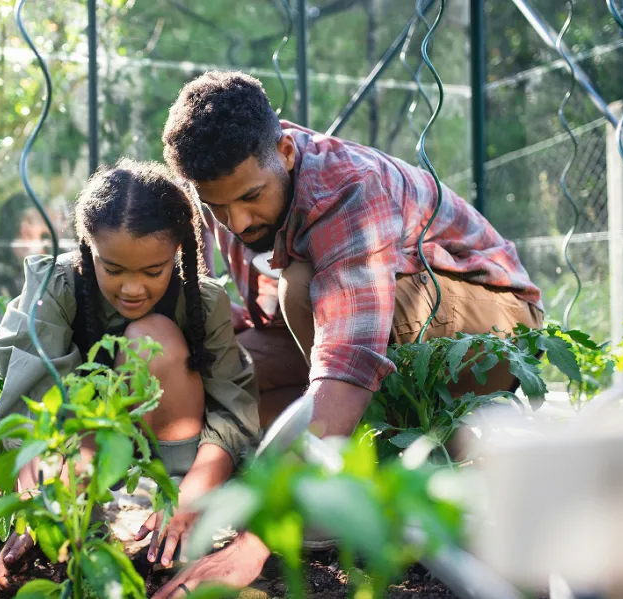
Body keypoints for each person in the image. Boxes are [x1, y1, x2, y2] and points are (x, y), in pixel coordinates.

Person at [152, 70, 544, 597]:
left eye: (250, 197)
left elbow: (345, 363)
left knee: (303, 287)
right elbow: (260, 331)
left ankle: (382, 469)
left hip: (492, 325)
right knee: (228, 368)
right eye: (217, 206)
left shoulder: (344, 188)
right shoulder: (233, 194)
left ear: (286, 152)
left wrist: (256, 536)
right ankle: (335, 469)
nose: (238, 221)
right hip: (392, 326)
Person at [0, 159, 260, 589]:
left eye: (153, 271)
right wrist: (37, 512)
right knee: (56, 513)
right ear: (87, 246)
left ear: (177, 252)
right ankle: (80, 529)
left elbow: (233, 415)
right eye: (112, 269)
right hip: (78, 456)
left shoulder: (201, 301)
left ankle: (171, 524)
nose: (132, 289)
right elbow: (31, 415)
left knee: (149, 336)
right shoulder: (55, 288)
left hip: (170, 449)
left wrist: (191, 496)